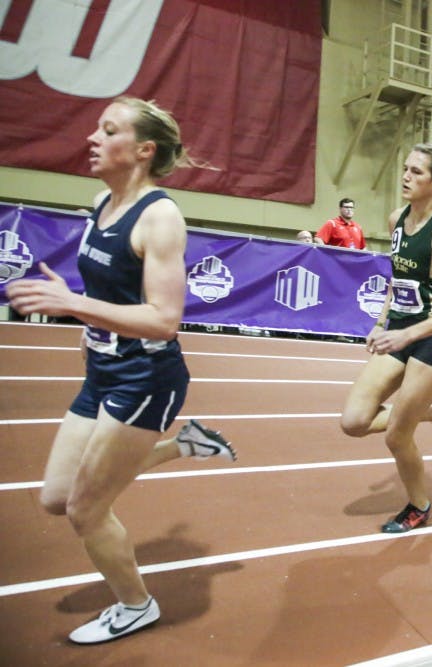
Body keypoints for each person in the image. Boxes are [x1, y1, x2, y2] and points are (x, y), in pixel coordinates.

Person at [5, 97, 237, 643]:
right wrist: (80, 310)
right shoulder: (101, 203)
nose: (91, 138)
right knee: (57, 498)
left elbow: (164, 319)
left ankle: (136, 605)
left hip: (146, 377)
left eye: (107, 130)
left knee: (86, 510)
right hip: (104, 371)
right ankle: (186, 445)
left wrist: (75, 306)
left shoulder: (160, 217)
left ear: (143, 150)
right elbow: (110, 290)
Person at [340, 143, 432, 534]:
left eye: (417, 172)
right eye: (406, 168)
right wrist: (382, 324)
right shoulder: (397, 217)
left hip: (431, 341)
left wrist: (407, 334)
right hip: (398, 330)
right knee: (354, 421)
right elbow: (396, 279)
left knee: (398, 436)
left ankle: (419, 505)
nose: (406, 177)